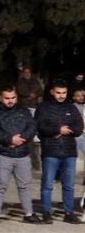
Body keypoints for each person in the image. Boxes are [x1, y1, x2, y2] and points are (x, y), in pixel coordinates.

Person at [0, 86, 39, 224]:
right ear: (0, 98)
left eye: (13, 98)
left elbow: (32, 127)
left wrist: (21, 139)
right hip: (3, 154)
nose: (10, 101)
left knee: (24, 185)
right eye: (7, 98)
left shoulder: (24, 111)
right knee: (0, 185)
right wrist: (9, 139)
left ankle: (29, 213)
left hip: (22, 154)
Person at [35, 80, 83, 224]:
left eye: (64, 93)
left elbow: (79, 127)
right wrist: (58, 129)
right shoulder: (43, 107)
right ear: (52, 92)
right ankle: (46, 212)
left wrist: (69, 130)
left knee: (69, 185)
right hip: (50, 151)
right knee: (47, 184)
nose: (61, 95)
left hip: (69, 152)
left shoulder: (71, 108)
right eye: (58, 93)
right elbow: (40, 126)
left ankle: (69, 213)